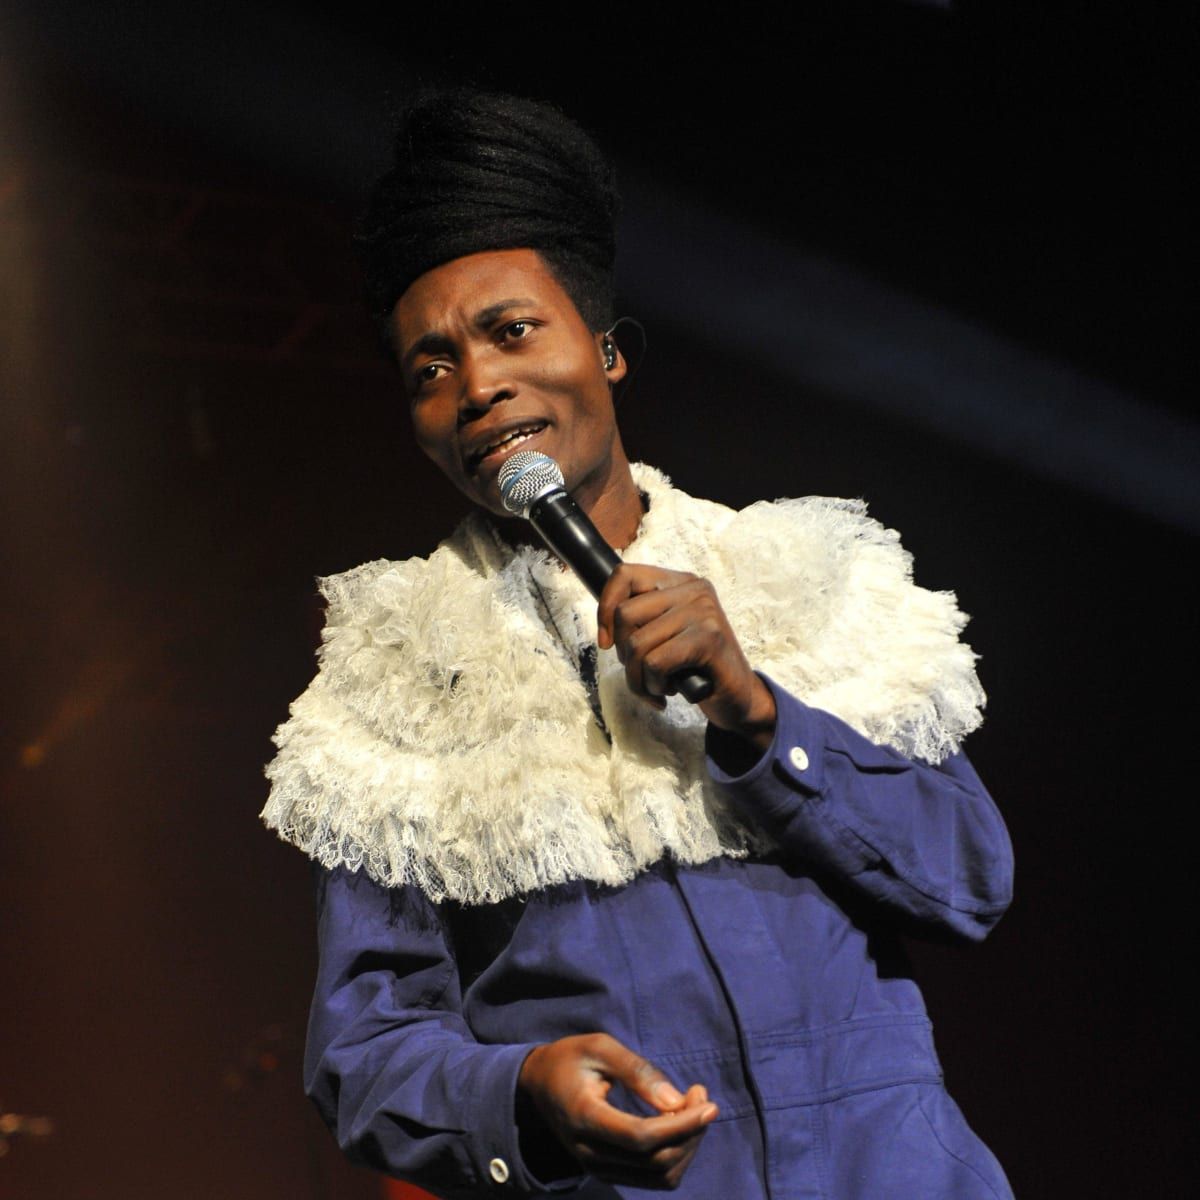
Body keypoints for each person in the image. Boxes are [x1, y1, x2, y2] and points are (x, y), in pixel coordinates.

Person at [262, 88, 1014, 1199]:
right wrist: (521, 1092)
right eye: (429, 370)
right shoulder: (390, 681)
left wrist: (760, 715)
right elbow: (362, 1056)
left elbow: (967, 880)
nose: (476, 387)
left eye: (511, 332)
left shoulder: (801, 577)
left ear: (608, 353)